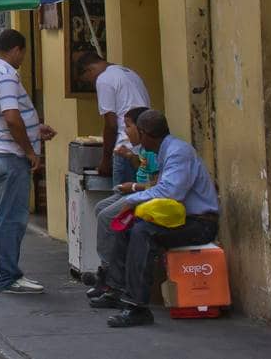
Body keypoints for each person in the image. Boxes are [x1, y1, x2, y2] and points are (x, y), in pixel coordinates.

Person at [89, 109, 220, 328]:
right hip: (179, 218)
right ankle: (117, 289)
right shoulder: (165, 151)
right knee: (127, 227)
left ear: (145, 133)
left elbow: (170, 192)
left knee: (143, 233)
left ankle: (137, 306)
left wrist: (133, 199)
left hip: (200, 223)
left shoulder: (178, 152)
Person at [0, 28, 57, 296]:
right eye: (22, 54)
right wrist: (30, 151)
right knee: (13, 218)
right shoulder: (6, 77)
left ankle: (7, 273)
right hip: (11, 156)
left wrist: (35, 128)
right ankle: (8, 276)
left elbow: (9, 119)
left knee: (6, 217)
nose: (22, 59)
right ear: (16, 50)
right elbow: (11, 118)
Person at [88, 106, 159, 296]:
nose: (125, 131)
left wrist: (134, 188)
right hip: (135, 189)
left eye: (128, 126)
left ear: (141, 129)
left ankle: (109, 272)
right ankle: (109, 266)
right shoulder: (143, 149)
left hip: (143, 193)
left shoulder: (155, 152)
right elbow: (142, 168)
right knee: (100, 207)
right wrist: (129, 157)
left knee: (106, 216)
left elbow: (156, 184)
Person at [76, 52, 152, 187]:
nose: (92, 84)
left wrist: (106, 160)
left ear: (89, 70)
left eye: (88, 80)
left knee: (122, 200)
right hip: (143, 148)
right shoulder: (129, 73)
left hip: (124, 147)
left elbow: (111, 125)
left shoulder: (104, 79)